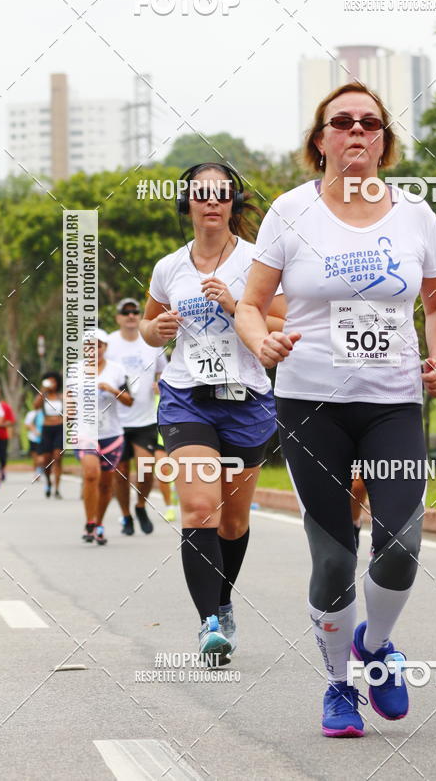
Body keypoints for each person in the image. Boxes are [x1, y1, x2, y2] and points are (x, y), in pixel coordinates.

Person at [236, 81, 436, 736]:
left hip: (392, 404)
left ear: (384, 141)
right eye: (343, 122)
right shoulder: (289, 212)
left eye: (370, 123)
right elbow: (251, 303)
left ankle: (377, 648)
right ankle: (338, 687)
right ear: (321, 139)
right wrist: (261, 339)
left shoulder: (415, 214)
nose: (356, 132)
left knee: (401, 546)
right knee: (333, 558)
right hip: (311, 405)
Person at [140, 162, 286, 664]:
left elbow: (283, 319)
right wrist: (153, 331)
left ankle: (223, 602)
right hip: (186, 397)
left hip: (246, 398)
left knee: (232, 521)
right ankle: (208, 626)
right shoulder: (169, 266)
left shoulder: (256, 260)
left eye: (221, 193)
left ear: (232, 202)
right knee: (201, 508)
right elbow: (146, 322)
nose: (211, 201)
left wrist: (236, 303)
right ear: (187, 202)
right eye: (201, 193)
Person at [106, 297, 168, 535]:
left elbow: (164, 370)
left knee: (146, 466)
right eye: (126, 312)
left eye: (135, 312)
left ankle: (141, 504)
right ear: (118, 317)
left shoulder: (151, 341)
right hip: (116, 420)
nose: (131, 316)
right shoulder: (109, 344)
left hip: (145, 418)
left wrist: (159, 384)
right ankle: (126, 515)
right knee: (120, 473)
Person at [72, 328, 134, 545]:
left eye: (98, 345)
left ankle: (99, 522)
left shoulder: (117, 370)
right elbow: (69, 402)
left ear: (105, 348)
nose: (93, 349)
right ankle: (89, 521)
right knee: (91, 474)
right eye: (89, 345)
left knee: (107, 484)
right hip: (85, 431)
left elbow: (129, 400)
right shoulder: (74, 370)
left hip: (112, 433)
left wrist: (111, 389)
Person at [33, 373, 64, 498]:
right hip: (47, 429)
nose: (52, 384)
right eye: (49, 381)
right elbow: (35, 406)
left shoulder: (61, 397)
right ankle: (49, 482)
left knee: (58, 457)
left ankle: (57, 488)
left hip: (59, 428)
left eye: (54, 381)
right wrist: (42, 390)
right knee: (46, 459)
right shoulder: (43, 397)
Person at [0, 384, 16, 483]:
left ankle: (2, 470)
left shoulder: (4, 406)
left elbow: (11, 421)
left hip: (1, 436)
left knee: (2, 455)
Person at [24, 406, 44, 481]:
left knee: (43, 457)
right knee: (35, 457)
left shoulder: (46, 413)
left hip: (45, 438)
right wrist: (34, 431)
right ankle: (37, 472)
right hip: (33, 438)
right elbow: (26, 425)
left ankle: (40, 470)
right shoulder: (31, 414)